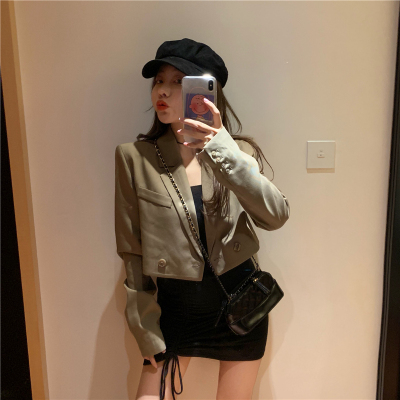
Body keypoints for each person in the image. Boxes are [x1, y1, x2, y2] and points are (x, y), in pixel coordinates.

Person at [115, 38, 290, 400]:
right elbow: (132, 252)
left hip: (239, 307)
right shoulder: (135, 157)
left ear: (207, 91)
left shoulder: (237, 152)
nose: (163, 91)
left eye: (179, 81)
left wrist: (219, 147)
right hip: (175, 313)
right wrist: (145, 330)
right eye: (159, 80)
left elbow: (275, 216)